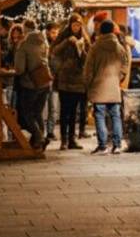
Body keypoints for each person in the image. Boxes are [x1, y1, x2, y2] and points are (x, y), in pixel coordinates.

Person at [83, 20, 130, 154]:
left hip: (98, 86)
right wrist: (117, 78)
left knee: (99, 115)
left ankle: (102, 145)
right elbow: (125, 67)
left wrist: (87, 83)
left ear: (101, 31)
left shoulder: (95, 47)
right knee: (115, 115)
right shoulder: (119, 47)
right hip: (113, 86)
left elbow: (88, 69)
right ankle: (117, 145)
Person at [51, 14, 89, 150]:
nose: (76, 28)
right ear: (70, 25)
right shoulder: (64, 37)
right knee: (65, 111)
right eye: (74, 25)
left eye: (79, 25)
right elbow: (54, 52)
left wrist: (81, 48)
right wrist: (67, 41)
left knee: (74, 111)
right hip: (64, 79)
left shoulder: (85, 39)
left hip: (78, 80)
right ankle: (64, 139)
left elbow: (88, 59)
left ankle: (72, 139)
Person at [13, 18, 51, 149]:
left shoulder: (23, 45)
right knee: (38, 113)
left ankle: (39, 138)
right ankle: (39, 140)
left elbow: (19, 69)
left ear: (25, 30)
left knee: (26, 113)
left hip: (30, 83)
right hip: (44, 81)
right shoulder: (43, 42)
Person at [43, 22, 62, 141]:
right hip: (45, 80)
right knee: (42, 107)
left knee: (54, 107)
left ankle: (50, 131)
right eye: (53, 32)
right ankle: (41, 130)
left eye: (57, 33)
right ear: (48, 32)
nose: (55, 35)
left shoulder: (59, 45)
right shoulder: (44, 45)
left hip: (55, 80)